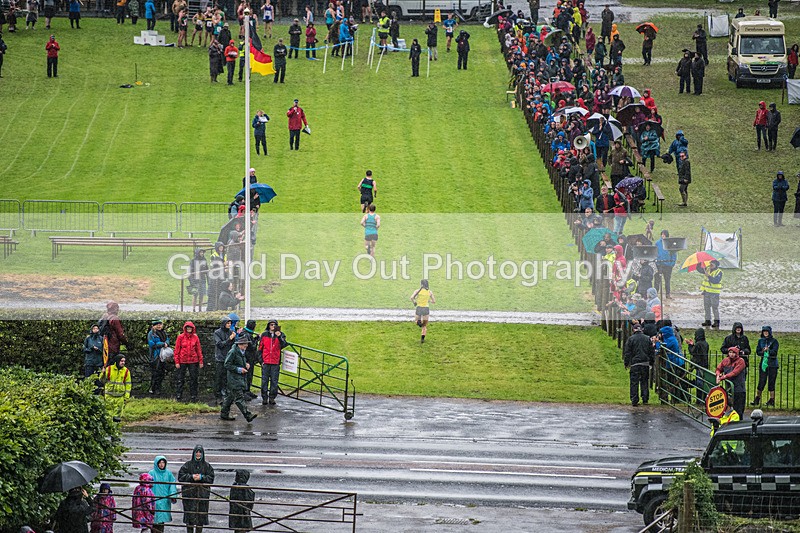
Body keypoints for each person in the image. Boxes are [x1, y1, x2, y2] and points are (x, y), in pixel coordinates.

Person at [221, 334, 258, 422]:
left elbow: (239, 361)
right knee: (239, 398)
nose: (246, 345)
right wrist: (238, 369)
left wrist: (245, 364)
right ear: (239, 344)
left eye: (246, 343)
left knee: (230, 396)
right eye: (244, 344)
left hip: (238, 378)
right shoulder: (233, 352)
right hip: (234, 378)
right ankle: (248, 415)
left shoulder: (241, 351)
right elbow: (227, 364)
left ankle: (224, 413)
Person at [178, 445, 215, 533]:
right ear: (194, 453)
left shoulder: (207, 466)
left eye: (200, 452)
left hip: (202, 496)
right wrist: (191, 477)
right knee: (189, 517)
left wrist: (202, 477)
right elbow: (180, 476)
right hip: (189, 495)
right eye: (197, 452)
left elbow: (211, 478)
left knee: (200, 518)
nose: (198, 454)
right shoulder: (187, 465)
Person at [258, 319, 287, 405]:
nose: (273, 326)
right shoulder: (264, 335)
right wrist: (261, 361)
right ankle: (264, 398)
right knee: (264, 381)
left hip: (275, 362)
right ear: (268, 326)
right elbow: (260, 349)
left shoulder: (281, 335)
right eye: (271, 325)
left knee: (274, 381)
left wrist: (279, 336)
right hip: (266, 362)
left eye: (274, 325)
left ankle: (272, 397)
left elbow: (284, 344)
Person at [623, 323, 653, 406]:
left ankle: (634, 399)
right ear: (641, 330)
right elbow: (651, 352)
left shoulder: (631, 339)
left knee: (634, 382)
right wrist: (651, 362)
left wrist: (626, 363)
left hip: (635, 363)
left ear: (634, 329)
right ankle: (645, 398)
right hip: (645, 363)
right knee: (644, 381)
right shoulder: (647, 339)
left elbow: (627, 353)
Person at [174, 321, 204, 402]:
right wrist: (177, 361)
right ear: (185, 328)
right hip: (182, 360)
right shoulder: (180, 337)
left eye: (190, 328)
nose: (189, 329)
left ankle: (194, 395)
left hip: (193, 360)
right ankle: (179, 394)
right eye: (187, 328)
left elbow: (198, 350)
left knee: (194, 378)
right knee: (180, 378)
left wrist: (201, 361)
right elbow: (177, 350)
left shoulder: (195, 337)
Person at [149, 456, 178, 533]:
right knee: (153, 521)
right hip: (154, 500)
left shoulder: (168, 473)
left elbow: (172, 484)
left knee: (161, 522)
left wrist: (172, 495)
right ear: (157, 463)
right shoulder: (152, 473)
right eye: (160, 463)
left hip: (164, 501)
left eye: (163, 462)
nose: (162, 464)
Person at [716, 346, 746, 418]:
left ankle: (739, 422)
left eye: (733, 353)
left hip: (739, 388)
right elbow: (718, 368)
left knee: (738, 410)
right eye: (730, 352)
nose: (731, 354)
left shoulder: (741, 361)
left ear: (737, 353)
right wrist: (718, 375)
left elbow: (735, 372)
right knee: (728, 409)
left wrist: (723, 377)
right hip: (729, 388)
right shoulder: (725, 360)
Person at [752, 325, 779, 407]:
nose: (765, 333)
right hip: (763, 364)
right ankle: (757, 398)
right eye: (764, 332)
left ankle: (772, 399)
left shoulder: (774, 341)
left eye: (767, 332)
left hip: (772, 364)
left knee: (771, 382)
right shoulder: (761, 341)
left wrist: (769, 350)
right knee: (761, 381)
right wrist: (763, 351)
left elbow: (774, 352)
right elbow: (758, 352)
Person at [213, 316, 235, 404]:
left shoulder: (230, 332)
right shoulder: (217, 332)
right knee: (219, 377)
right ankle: (218, 396)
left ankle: (226, 395)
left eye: (230, 323)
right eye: (228, 323)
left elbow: (233, 345)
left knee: (227, 378)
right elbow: (220, 344)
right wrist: (229, 339)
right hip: (220, 358)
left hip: (228, 358)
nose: (229, 325)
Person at [103, 355, 131, 423]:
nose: (123, 363)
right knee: (108, 415)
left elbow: (128, 385)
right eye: (121, 361)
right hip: (109, 396)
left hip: (120, 397)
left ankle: (116, 430)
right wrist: (103, 373)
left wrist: (126, 397)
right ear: (117, 361)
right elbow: (102, 380)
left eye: (124, 361)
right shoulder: (109, 369)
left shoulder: (126, 371)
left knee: (117, 417)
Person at [686, 327, 710, 404]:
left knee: (699, 383)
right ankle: (703, 399)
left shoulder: (698, 344)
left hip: (699, 365)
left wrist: (690, 345)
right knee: (703, 382)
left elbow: (693, 352)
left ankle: (699, 400)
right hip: (704, 365)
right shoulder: (705, 343)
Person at [147, 319, 169, 395]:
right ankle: (153, 388)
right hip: (155, 356)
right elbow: (152, 344)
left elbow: (167, 340)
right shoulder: (151, 334)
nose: (159, 326)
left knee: (162, 373)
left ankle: (158, 388)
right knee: (155, 373)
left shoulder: (164, 333)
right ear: (153, 326)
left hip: (163, 356)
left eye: (160, 324)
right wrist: (163, 344)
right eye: (157, 325)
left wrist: (166, 343)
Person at [698, 259, 722, 328]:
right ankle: (707, 321)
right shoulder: (707, 269)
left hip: (714, 293)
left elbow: (716, 281)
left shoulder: (719, 272)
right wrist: (699, 262)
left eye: (712, 264)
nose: (710, 265)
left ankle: (716, 322)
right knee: (706, 307)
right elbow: (699, 269)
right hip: (706, 292)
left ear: (716, 265)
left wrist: (708, 276)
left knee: (715, 307)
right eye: (710, 264)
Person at [654, 230, 676, 299]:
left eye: (664, 235)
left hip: (668, 265)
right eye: (662, 234)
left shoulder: (670, 243)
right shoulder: (657, 243)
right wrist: (656, 260)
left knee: (667, 280)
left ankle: (668, 294)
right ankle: (655, 294)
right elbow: (654, 252)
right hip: (659, 264)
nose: (663, 236)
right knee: (657, 280)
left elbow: (674, 254)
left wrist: (672, 263)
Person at [411, 279, 435, 344]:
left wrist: (415, 302)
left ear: (421, 284)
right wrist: (428, 301)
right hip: (426, 309)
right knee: (424, 326)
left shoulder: (417, 291)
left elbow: (412, 297)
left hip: (419, 308)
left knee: (416, 321)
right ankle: (422, 339)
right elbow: (434, 301)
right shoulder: (429, 292)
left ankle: (419, 323)